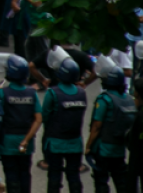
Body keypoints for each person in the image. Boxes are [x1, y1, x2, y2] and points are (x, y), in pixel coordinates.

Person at [86, 68, 137, 193]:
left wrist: (88, 146)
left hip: (103, 148)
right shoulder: (129, 99)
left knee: (101, 181)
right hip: (119, 148)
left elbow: (96, 126)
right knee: (121, 181)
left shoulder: (105, 99)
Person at [0, 55, 41, 193]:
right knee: (25, 172)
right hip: (26, 143)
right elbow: (38, 119)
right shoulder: (32, 93)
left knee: (11, 174)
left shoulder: (2, 93)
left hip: (7, 142)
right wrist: (26, 140)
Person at [41, 58, 87, 193]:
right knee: (74, 176)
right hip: (75, 142)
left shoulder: (52, 93)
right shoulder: (81, 93)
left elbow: (45, 115)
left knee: (54, 174)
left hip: (55, 142)